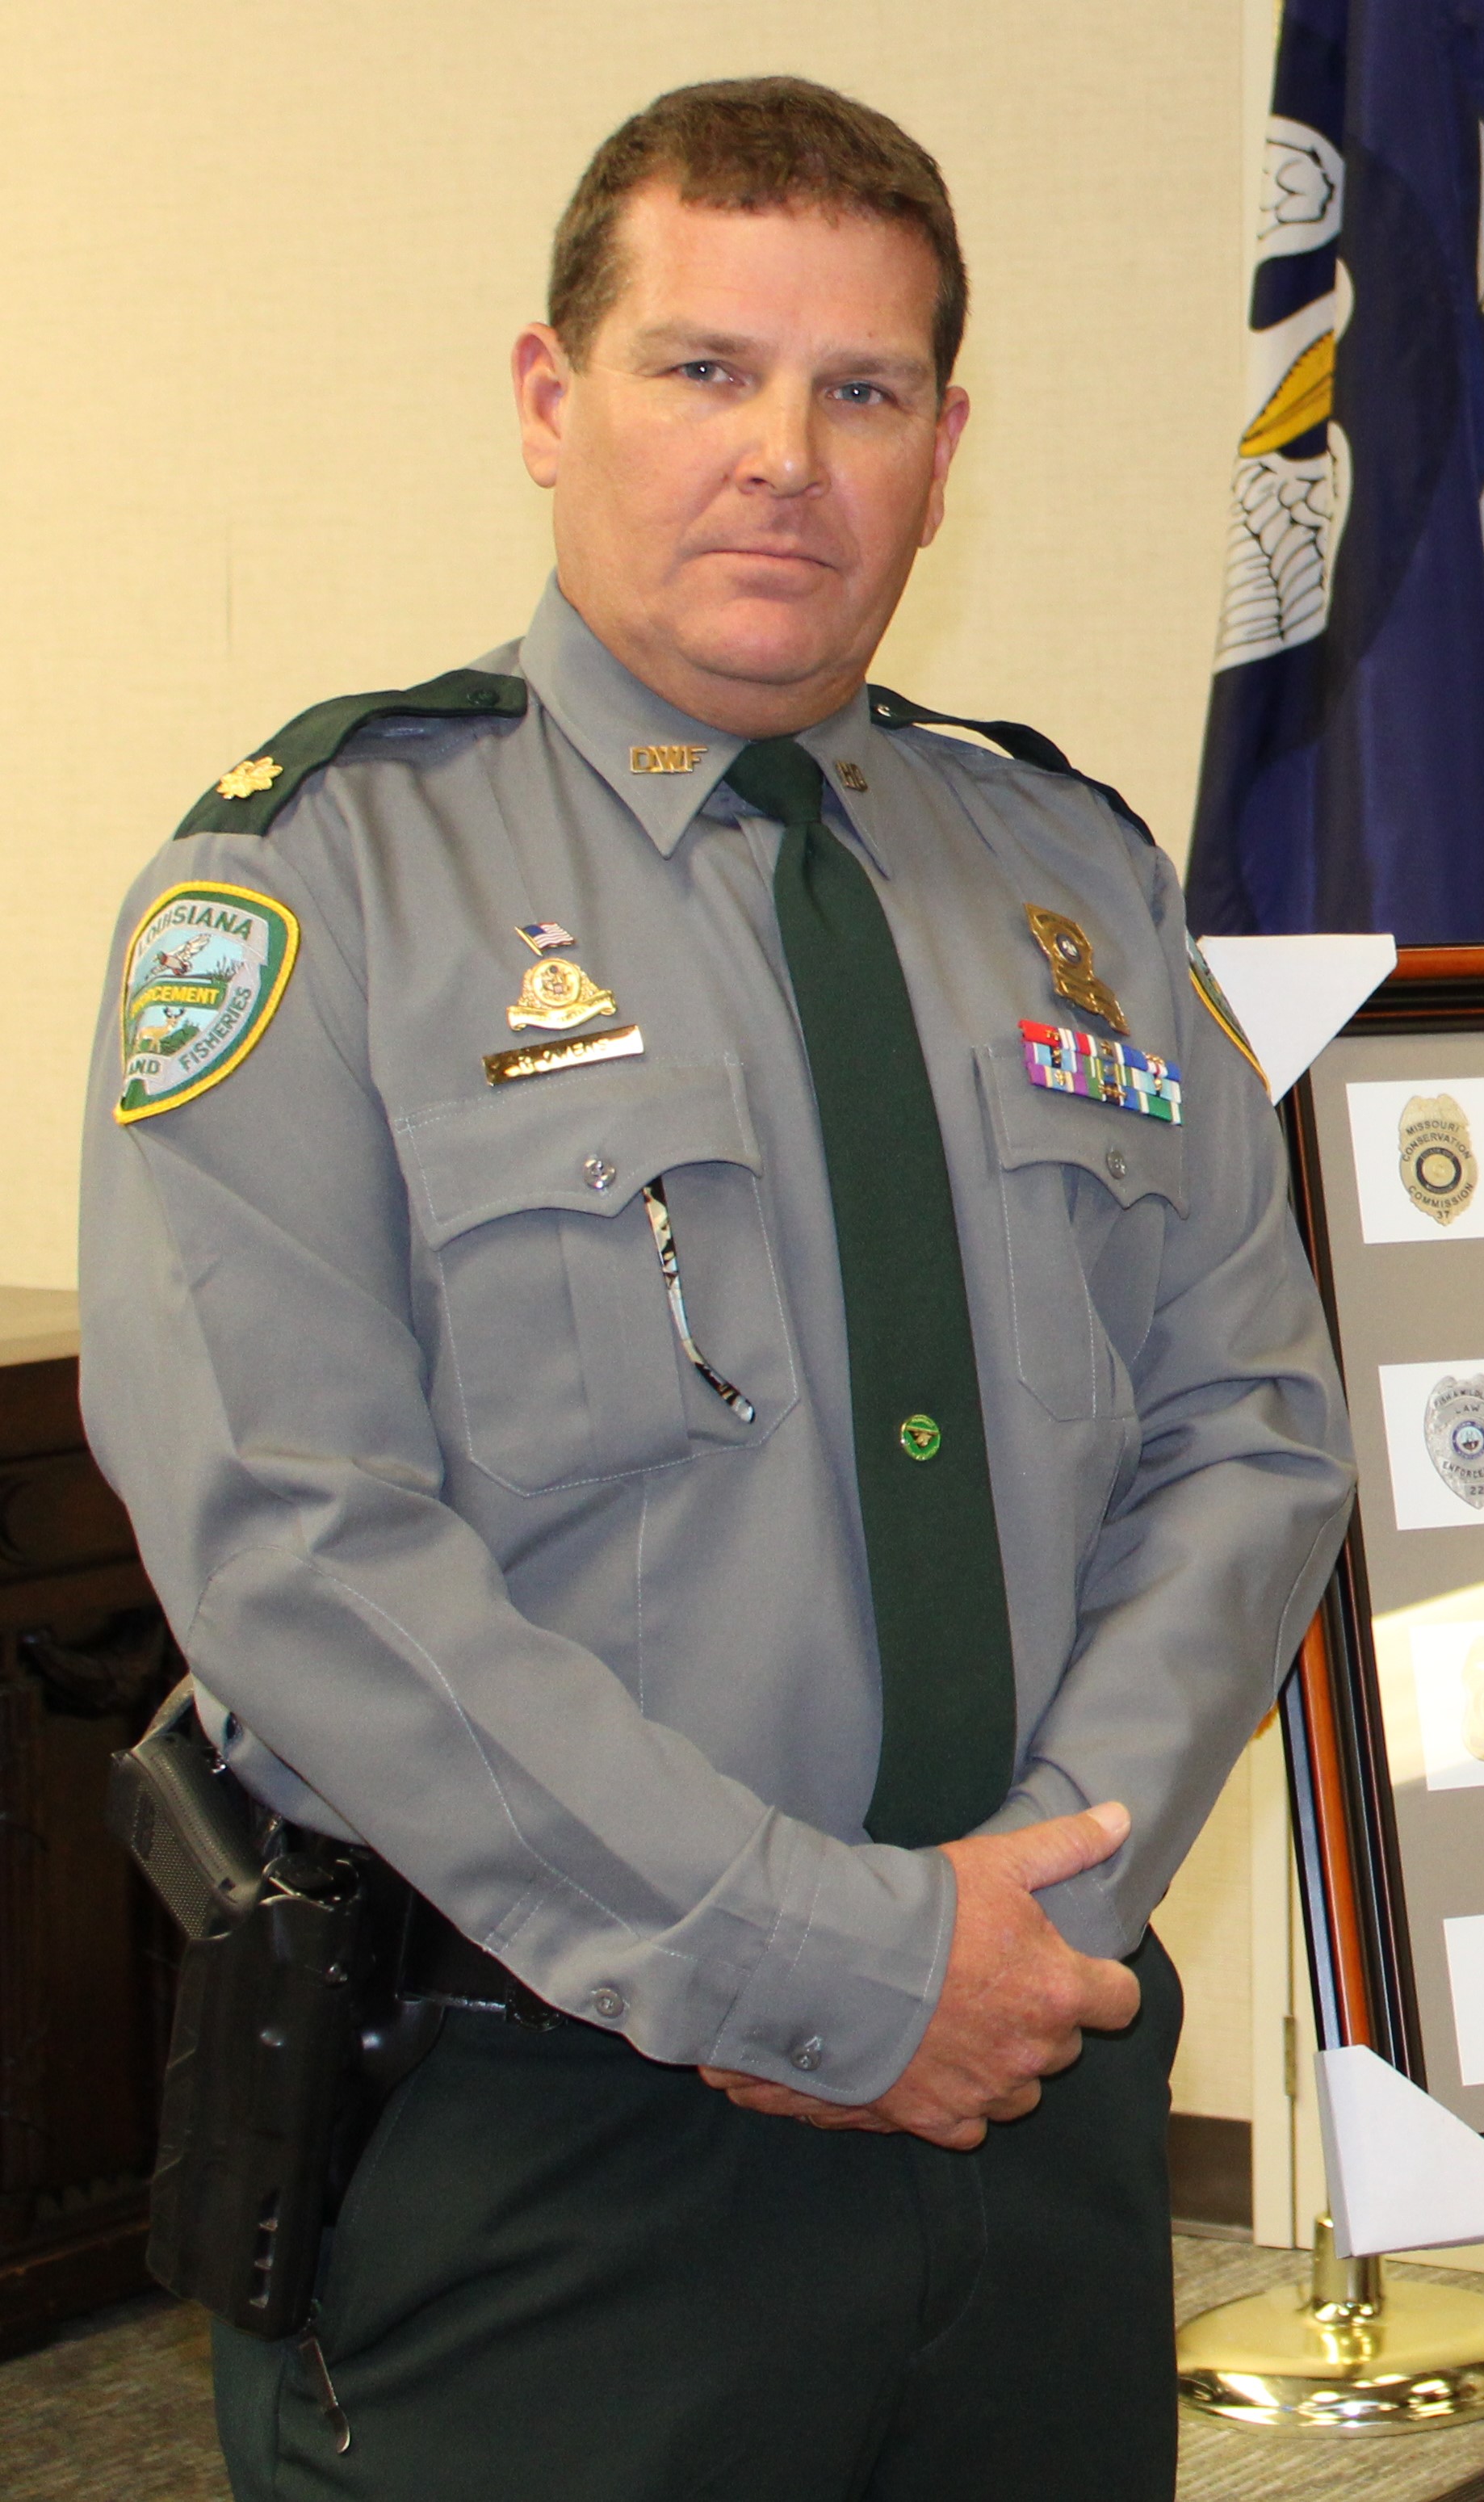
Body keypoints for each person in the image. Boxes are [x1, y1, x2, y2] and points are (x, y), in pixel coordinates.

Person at [81, 78, 1352, 2500]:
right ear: (549, 397)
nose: (786, 455)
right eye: (704, 369)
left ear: (944, 451)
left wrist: (1027, 1918)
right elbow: (294, 1546)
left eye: (863, 389)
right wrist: (819, 1964)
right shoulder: (318, 887)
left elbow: (1250, 1428)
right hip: (549, 2149)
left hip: (1038, 2115)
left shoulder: (1072, 880)